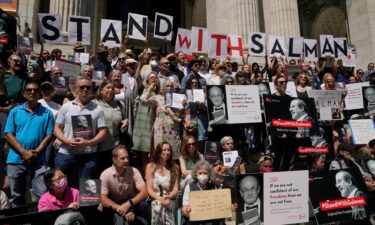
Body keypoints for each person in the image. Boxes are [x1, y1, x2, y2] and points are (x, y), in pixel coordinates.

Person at [5, 81, 55, 207]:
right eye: (29, 90)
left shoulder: (47, 113)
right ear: (24, 94)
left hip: (39, 160)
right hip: (16, 160)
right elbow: (8, 134)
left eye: (35, 90)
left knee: (42, 194)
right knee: (16, 196)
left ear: (39, 93)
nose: (32, 92)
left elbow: (49, 135)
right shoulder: (15, 111)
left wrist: (36, 152)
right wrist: (23, 152)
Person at [54, 75, 107, 184]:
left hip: (88, 154)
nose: (85, 90)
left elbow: (103, 132)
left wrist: (88, 143)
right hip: (66, 153)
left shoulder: (98, 109)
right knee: (59, 185)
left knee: (87, 191)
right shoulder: (66, 107)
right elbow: (57, 128)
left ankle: (86, 202)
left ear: (91, 90)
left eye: (88, 87)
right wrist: (66, 141)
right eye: (82, 87)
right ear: (76, 89)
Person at [100, 145, 148, 225]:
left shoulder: (134, 171)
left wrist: (129, 204)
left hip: (130, 202)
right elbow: (102, 198)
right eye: (123, 158)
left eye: (127, 158)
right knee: (102, 209)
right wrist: (121, 209)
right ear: (114, 159)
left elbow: (145, 192)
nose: (126, 160)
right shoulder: (105, 174)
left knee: (144, 205)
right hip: (114, 204)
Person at [140, 73, 183, 160]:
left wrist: (183, 107)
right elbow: (143, 100)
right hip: (159, 132)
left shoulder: (177, 99)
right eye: (167, 86)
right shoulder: (157, 98)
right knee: (160, 156)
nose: (169, 87)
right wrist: (149, 89)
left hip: (173, 130)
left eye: (171, 86)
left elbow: (179, 117)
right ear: (163, 88)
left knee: (173, 156)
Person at [145, 141, 179, 225]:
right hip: (155, 197)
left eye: (168, 150)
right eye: (164, 150)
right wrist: (160, 199)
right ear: (159, 151)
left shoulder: (175, 167)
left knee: (168, 207)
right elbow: (149, 189)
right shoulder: (150, 167)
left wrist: (169, 196)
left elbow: (176, 188)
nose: (167, 152)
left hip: (170, 197)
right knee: (157, 206)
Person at [181, 160, 225, 225]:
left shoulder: (213, 186)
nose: (202, 175)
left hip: (209, 220)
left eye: (205, 173)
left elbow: (219, 204)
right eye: (200, 173)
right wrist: (187, 210)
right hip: (194, 220)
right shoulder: (189, 187)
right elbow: (184, 208)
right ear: (196, 174)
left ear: (209, 174)